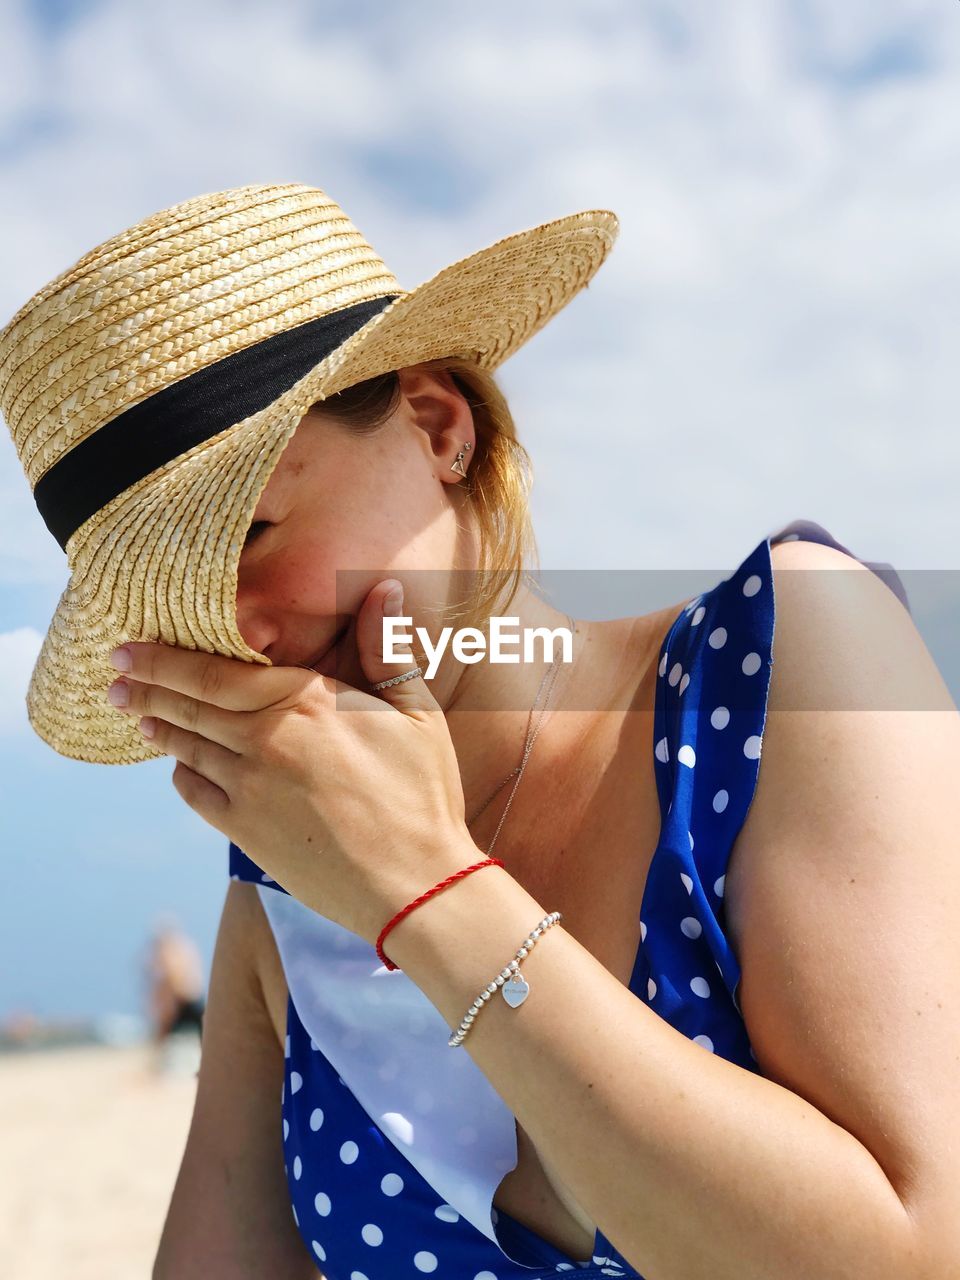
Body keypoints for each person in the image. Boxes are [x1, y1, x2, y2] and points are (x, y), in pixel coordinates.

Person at [1, 184, 957, 1280]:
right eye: (173, 607)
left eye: (251, 533)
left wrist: (425, 885)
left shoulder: (781, 657)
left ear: (437, 425)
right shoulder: (281, 878)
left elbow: (913, 1252)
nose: (238, 629)